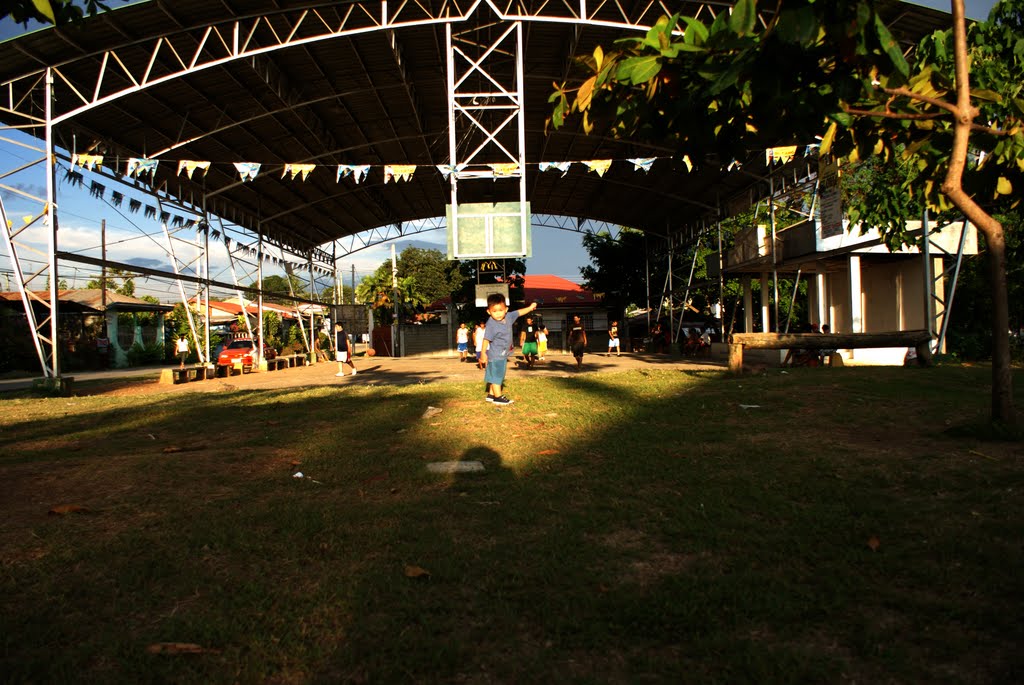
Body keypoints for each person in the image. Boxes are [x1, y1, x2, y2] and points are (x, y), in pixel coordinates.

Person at [480, 295, 537, 405]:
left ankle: (491, 395)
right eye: (494, 311)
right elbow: (486, 339)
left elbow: (519, 312)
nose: (498, 313)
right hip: (496, 354)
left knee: (496, 374)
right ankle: (498, 397)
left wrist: (530, 308)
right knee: (498, 375)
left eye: (500, 310)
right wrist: (483, 353)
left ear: (506, 309)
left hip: (502, 353)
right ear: (488, 312)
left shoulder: (509, 317)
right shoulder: (491, 324)